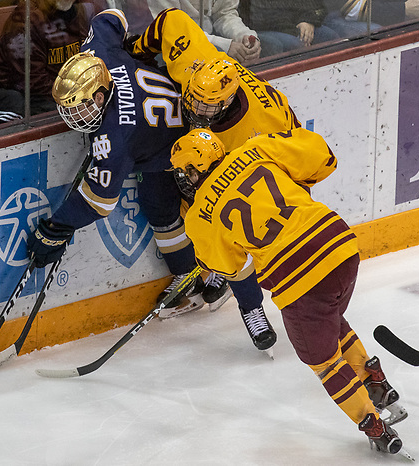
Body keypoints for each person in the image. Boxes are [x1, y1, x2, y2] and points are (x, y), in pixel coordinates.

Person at [170, 126, 410, 456]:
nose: (182, 178)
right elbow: (322, 158)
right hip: (340, 245)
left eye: (184, 171)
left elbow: (232, 269)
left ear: (195, 169)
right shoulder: (254, 149)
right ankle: (376, 382)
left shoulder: (199, 215)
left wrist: (211, 250)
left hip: (301, 282)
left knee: (324, 363)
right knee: (329, 317)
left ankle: (375, 426)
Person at [25, 9, 232, 321]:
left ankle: (223, 269)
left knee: (190, 208)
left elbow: (98, 201)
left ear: (98, 96)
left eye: (79, 108)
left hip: (180, 147)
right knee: (159, 207)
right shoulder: (97, 54)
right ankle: (189, 276)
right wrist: (135, 49)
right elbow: (112, 17)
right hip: (164, 127)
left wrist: (59, 226)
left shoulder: (116, 136)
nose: (72, 117)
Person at [129, 7, 303, 348]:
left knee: (227, 232)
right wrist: (136, 53)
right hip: (192, 145)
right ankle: (196, 273)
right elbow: (171, 20)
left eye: (206, 107)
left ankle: (251, 307)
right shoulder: (200, 64)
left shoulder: (258, 132)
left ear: (226, 103)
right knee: (159, 194)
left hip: (234, 163)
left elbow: (298, 162)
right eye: (194, 99)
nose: (196, 109)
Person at [0, 0, 106, 115]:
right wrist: (76, 98)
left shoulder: (87, 10)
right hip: (34, 100)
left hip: (70, 93)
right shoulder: (26, 21)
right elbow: (33, 81)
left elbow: (101, 56)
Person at [146, 0, 261, 66]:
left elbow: (225, 14)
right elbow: (171, 28)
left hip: (211, 39)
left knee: (277, 43)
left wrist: (244, 36)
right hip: (168, 49)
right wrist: (225, 45)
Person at [240, 0, 341, 57]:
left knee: (329, 36)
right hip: (264, 28)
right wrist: (293, 28)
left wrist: (307, 20)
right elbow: (254, 17)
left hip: (295, 22)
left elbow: (317, 5)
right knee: (296, 44)